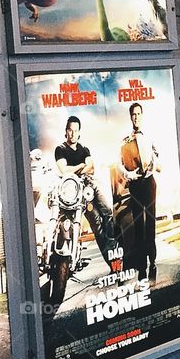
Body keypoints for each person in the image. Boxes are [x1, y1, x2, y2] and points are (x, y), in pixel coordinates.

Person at [54, 115, 118, 264]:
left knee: (108, 210)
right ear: (66, 131)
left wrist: (77, 169)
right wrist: (81, 166)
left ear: (79, 133)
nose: (73, 134)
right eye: (70, 130)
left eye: (75, 131)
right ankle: (110, 260)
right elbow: (64, 171)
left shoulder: (84, 149)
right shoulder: (60, 149)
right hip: (75, 192)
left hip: (90, 185)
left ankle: (111, 242)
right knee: (96, 225)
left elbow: (92, 167)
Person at [120, 103, 160, 280]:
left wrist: (154, 164)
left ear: (142, 115)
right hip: (136, 185)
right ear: (130, 117)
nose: (136, 117)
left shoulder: (150, 136)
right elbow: (120, 165)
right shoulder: (125, 141)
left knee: (150, 222)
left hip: (149, 183)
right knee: (138, 224)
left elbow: (157, 156)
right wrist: (129, 174)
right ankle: (141, 266)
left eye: (138, 114)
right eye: (133, 114)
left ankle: (153, 260)